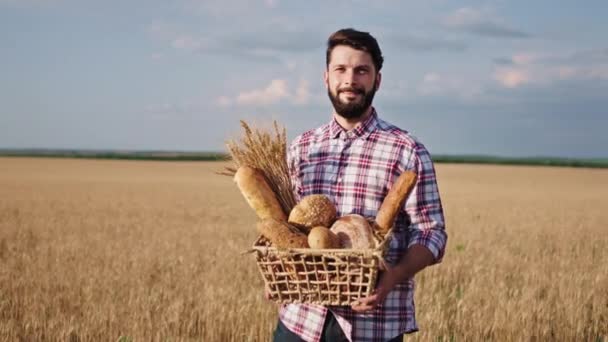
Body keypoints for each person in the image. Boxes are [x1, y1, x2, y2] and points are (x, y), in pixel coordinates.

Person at [272, 28, 448, 342]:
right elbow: (288, 228)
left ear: (377, 79)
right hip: (301, 321)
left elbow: (432, 232)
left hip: (373, 327)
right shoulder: (302, 147)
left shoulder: (406, 150)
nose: (350, 80)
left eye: (361, 70)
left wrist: (392, 277)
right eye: (341, 69)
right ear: (326, 77)